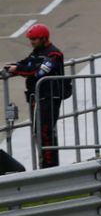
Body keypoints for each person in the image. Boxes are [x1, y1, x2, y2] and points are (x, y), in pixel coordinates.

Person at [4, 24, 67, 169]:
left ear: (44, 38)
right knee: (38, 132)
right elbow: (27, 63)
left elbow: (38, 72)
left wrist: (18, 69)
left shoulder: (54, 54)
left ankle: (49, 166)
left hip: (49, 98)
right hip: (37, 98)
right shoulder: (37, 52)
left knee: (44, 131)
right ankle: (46, 164)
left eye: (35, 39)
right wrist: (12, 68)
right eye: (31, 39)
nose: (32, 41)